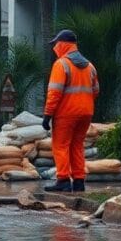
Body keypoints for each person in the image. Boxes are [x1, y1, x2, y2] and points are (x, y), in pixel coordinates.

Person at [42, 30, 99, 193]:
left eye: (56, 44)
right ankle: (79, 181)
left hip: (66, 113)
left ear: (62, 44)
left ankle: (63, 180)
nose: (54, 47)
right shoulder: (90, 66)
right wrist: (83, 103)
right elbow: (96, 91)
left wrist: (47, 115)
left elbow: (54, 93)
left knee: (60, 146)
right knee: (77, 146)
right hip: (86, 113)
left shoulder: (61, 64)